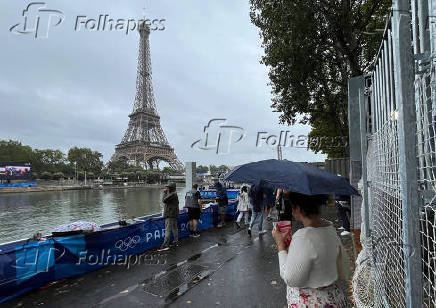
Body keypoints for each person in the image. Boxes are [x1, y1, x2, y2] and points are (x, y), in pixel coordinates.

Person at [272, 192, 351, 307]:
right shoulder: (329, 227)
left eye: (292, 206)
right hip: (334, 297)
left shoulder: (303, 236)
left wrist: (280, 245)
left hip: (314, 302)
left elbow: (291, 279)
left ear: (298, 208)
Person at [158, 182, 179, 251]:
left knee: (168, 230)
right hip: (174, 214)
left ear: (170, 188)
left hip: (170, 215)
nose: (166, 188)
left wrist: (164, 193)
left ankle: (165, 245)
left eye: (167, 187)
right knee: (174, 228)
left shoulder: (172, 195)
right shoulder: (174, 194)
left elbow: (163, 200)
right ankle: (176, 241)